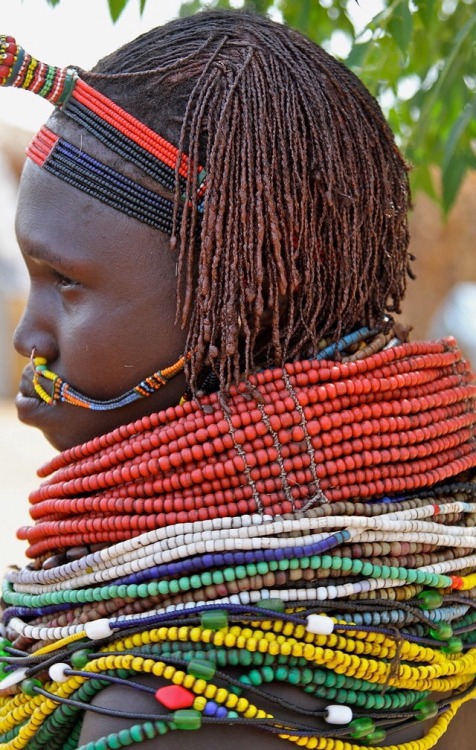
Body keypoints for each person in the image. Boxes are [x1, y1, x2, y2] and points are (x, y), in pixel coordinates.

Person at [0, 10, 475, 750]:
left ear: (243, 298)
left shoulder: (171, 713)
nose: (30, 334)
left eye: (66, 281)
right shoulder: (444, 596)